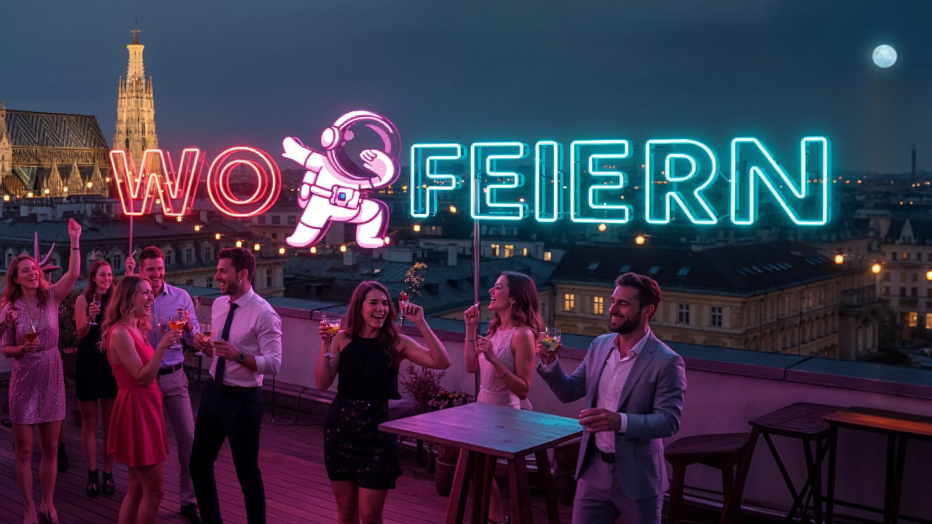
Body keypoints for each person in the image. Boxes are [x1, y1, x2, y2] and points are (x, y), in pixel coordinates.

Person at [537, 273, 687, 524]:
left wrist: (620, 421)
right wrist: (550, 363)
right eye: (612, 301)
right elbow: (569, 391)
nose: (613, 309)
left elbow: (669, 421)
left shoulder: (667, 361)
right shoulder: (599, 346)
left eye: (623, 303)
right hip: (592, 470)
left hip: (638, 477)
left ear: (647, 310)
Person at [316, 281, 451, 524]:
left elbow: (442, 362)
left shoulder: (396, 342)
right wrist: (325, 343)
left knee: (369, 516)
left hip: (377, 434)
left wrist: (421, 323)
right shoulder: (341, 339)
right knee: (346, 510)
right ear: (359, 308)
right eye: (374, 302)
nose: (382, 308)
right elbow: (322, 383)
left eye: (385, 303)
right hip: (340, 431)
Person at [191, 247, 282, 524]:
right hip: (213, 394)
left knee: (246, 474)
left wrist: (238, 356)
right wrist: (205, 347)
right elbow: (218, 351)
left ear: (242, 275)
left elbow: (275, 363)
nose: (216, 275)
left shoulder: (264, 314)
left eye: (223, 271)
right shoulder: (219, 304)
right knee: (198, 465)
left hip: (243, 401)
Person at [1, 218, 82, 524]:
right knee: (24, 449)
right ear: (17, 278)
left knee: (50, 446)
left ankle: (48, 503)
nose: (33, 272)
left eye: (35, 268)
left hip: (51, 371)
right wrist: (18, 347)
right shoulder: (10, 306)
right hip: (24, 377)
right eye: (27, 270)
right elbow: (4, 347)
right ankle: (28, 508)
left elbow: (74, 273)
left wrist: (74, 240)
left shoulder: (51, 297)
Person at [126, 246, 202, 523]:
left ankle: (188, 500)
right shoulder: (136, 299)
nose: (157, 274)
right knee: (146, 445)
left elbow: (193, 339)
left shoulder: (180, 297)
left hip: (174, 377)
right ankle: (140, 494)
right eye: (151, 269)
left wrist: (189, 330)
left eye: (160, 268)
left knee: (189, 440)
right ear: (140, 271)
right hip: (146, 382)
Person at [463, 271, 542, 524]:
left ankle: (497, 518)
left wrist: (495, 359)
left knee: (478, 466)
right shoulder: (494, 330)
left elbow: (523, 389)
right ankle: (496, 517)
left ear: (514, 299)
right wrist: (470, 328)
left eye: (498, 287)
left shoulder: (523, 335)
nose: (491, 291)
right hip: (483, 407)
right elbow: (470, 366)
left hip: (507, 412)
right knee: (476, 468)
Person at [103, 275, 181, 524]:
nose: (151, 297)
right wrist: (163, 347)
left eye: (151, 292)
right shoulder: (121, 333)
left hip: (146, 409)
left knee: (137, 488)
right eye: (144, 293)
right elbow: (142, 378)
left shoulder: (138, 326)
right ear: (129, 297)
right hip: (136, 411)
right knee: (155, 492)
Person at [74, 260, 119, 498]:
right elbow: (81, 333)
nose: (107, 279)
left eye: (110, 275)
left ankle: (108, 472)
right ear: (93, 277)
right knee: (89, 422)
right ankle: (92, 474)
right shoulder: (83, 300)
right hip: (89, 358)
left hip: (110, 359)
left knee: (110, 419)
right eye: (102, 275)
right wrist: (90, 317)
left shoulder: (115, 299)